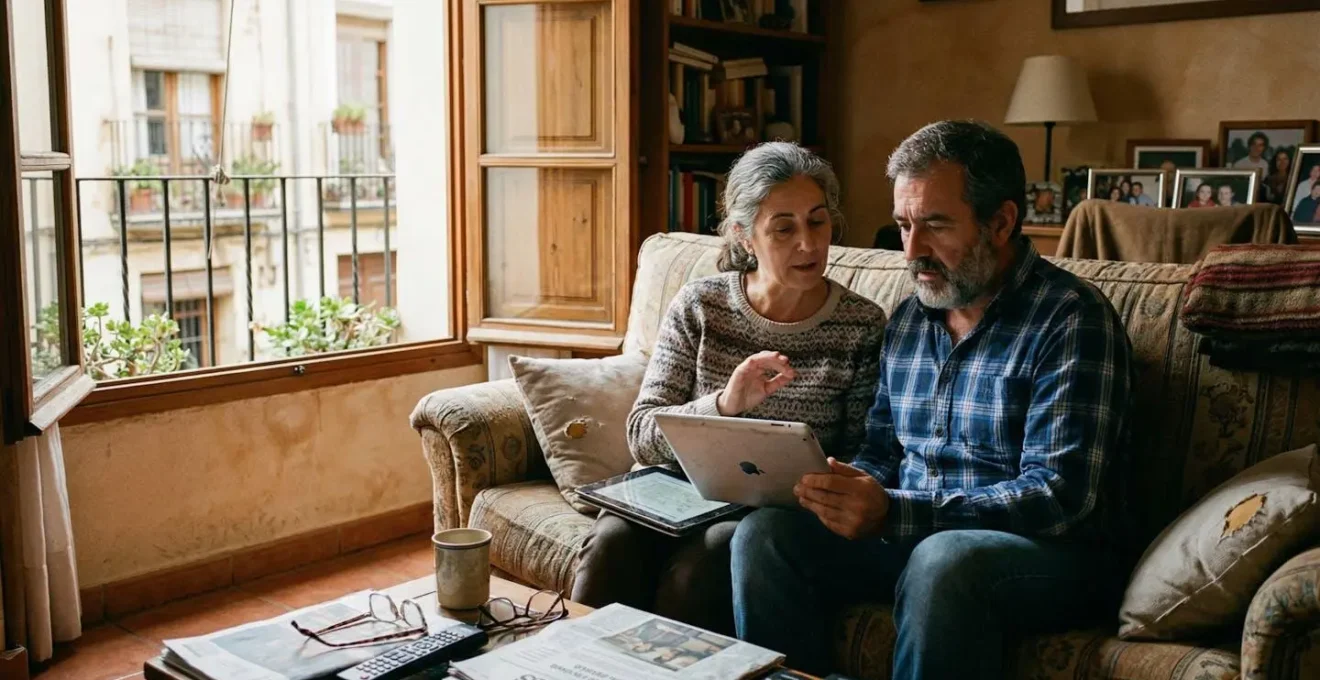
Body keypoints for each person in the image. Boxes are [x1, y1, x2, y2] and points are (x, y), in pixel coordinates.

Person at [730, 120, 1134, 678]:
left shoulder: (1071, 318)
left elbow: (1060, 495)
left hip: (1045, 555)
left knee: (944, 561)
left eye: (936, 225)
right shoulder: (909, 319)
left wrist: (897, 511)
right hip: (913, 532)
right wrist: (842, 489)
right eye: (902, 225)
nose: (913, 250)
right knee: (767, 535)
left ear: (1001, 222)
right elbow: (880, 449)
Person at [570, 142, 888, 635]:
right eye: (784, 228)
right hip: (675, 493)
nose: (808, 244)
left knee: (708, 561)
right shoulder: (702, 305)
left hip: (773, 517)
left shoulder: (862, 324)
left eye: (818, 221)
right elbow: (641, 434)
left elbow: (863, 454)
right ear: (744, 236)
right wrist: (725, 404)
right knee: (612, 543)